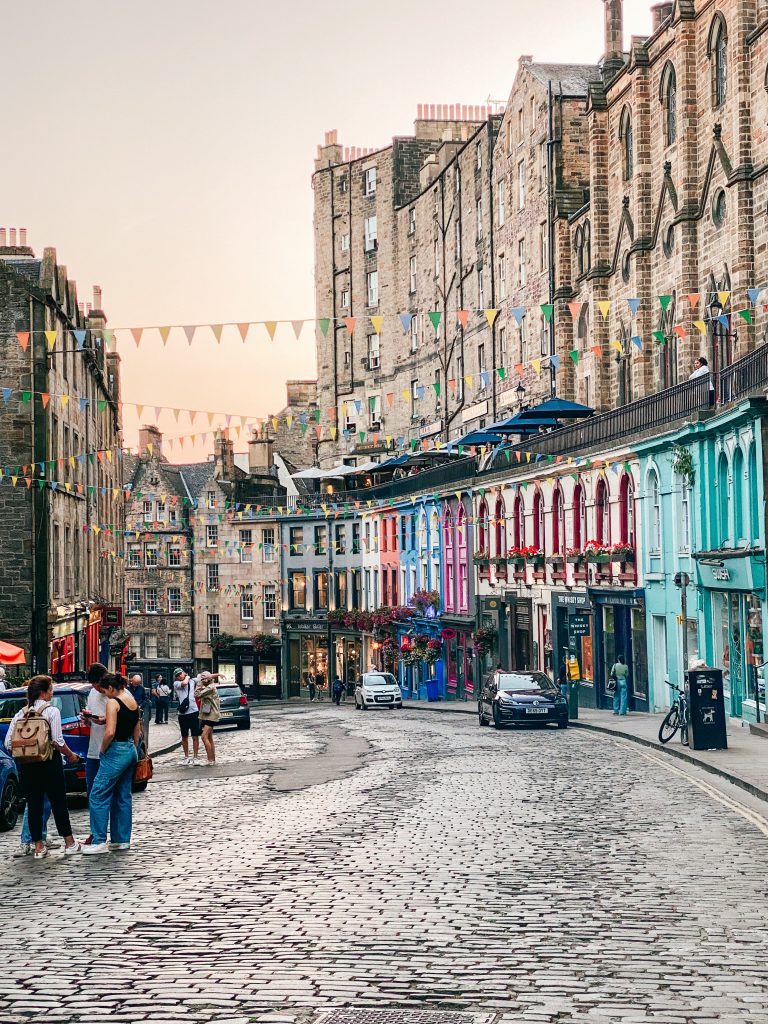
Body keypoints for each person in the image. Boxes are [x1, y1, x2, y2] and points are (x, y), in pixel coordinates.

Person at [5, 675, 82, 859]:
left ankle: (38, 847)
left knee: (34, 806)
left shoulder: (20, 714)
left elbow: (9, 743)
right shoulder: (51, 711)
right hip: (49, 763)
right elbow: (57, 740)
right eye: (50, 689)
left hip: (28, 765)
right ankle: (69, 842)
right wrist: (71, 755)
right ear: (43, 692)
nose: (52, 692)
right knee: (58, 803)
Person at [82, 673, 140, 855]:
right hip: (130, 748)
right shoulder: (131, 700)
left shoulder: (113, 702)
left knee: (97, 794)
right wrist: (135, 747)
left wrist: (102, 751)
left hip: (115, 751)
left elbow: (110, 732)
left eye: (105, 690)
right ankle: (121, 840)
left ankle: (99, 840)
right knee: (123, 796)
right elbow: (136, 726)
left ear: (111, 688)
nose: (105, 694)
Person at [83, 663, 109, 798]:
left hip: (109, 752)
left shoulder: (116, 693)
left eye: (97, 685)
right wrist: (87, 719)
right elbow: (91, 722)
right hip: (93, 752)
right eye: (93, 685)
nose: (96, 688)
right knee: (93, 795)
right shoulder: (92, 693)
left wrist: (106, 720)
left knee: (112, 796)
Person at [174, 668, 202, 766]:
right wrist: (187, 677)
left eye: (180, 674)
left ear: (183, 673)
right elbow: (184, 683)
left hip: (194, 711)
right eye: (177, 675)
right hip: (183, 714)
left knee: (195, 735)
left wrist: (218, 674)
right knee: (184, 736)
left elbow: (204, 677)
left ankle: (195, 757)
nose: (179, 676)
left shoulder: (192, 681)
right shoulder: (176, 684)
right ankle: (186, 757)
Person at [196, 672, 222, 766]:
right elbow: (208, 676)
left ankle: (210, 760)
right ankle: (212, 759)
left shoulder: (210, 688)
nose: (202, 681)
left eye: (203, 679)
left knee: (204, 737)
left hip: (211, 715)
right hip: (208, 714)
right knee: (209, 738)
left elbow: (197, 694)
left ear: (207, 680)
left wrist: (199, 684)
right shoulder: (210, 686)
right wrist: (218, 674)